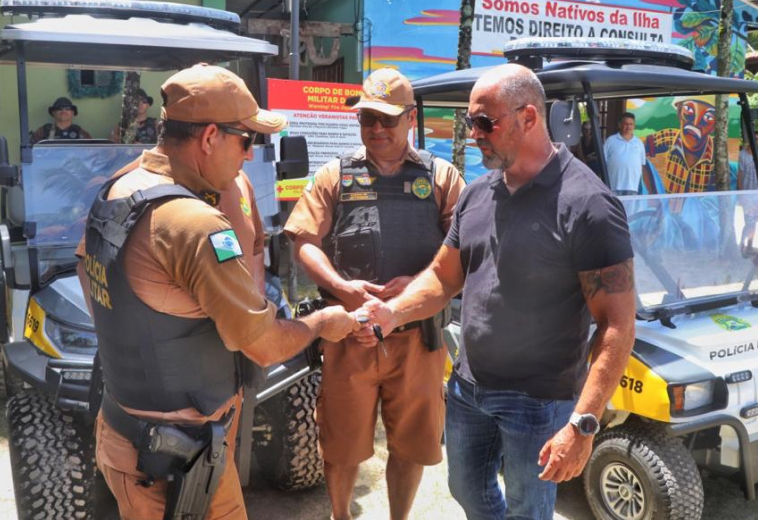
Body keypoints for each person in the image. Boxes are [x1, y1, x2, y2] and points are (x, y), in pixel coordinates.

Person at [80, 64, 360, 519]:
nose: (248, 155)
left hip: (138, 435)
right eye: (245, 140)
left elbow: (89, 271)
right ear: (210, 137)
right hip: (172, 460)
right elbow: (263, 345)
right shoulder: (192, 222)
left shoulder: (120, 188)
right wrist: (321, 323)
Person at [362, 63, 637, 519]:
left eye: (484, 122)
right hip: (469, 387)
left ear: (529, 117)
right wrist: (393, 312)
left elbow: (616, 325)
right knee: (466, 489)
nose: (473, 134)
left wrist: (583, 423)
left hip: (538, 401)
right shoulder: (477, 195)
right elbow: (443, 277)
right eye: (470, 121)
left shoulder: (588, 205)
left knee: (528, 510)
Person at [283, 67, 466, 520]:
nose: (376, 129)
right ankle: (340, 515)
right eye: (367, 118)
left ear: (410, 118)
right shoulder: (334, 174)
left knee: (412, 446)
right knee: (340, 444)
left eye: (387, 119)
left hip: (417, 339)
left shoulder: (441, 177)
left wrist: (417, 285)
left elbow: (466, 249)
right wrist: (341, 288)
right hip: (350, 337)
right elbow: (303, 240)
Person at [603, 112, 645, 195]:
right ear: (619, 125)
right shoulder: (610, 141)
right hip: (613, 187)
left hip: (632, 187)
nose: (628, 126)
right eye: (626, 124)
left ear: (634, 126)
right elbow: (602, 162)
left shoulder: (639, 143)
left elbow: (642, 164)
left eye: (631, 124)